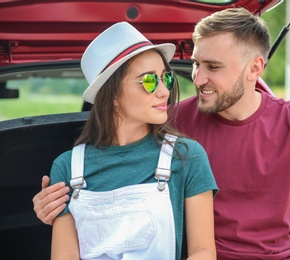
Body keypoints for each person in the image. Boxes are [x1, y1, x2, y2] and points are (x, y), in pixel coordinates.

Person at [33, 8, 290, 259]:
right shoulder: (170, 122)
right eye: (196, 65)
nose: (197, 79)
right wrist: (54, 204)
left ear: (255, 69)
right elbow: (111, 160)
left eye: (213, 67)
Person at [46, 21, 218, 260]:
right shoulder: (67, 167)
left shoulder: (188, 156)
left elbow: (204, 252)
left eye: (165, 78)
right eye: (149, 81)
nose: (164, 91)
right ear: (112, 94)